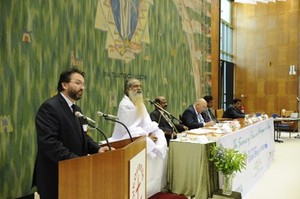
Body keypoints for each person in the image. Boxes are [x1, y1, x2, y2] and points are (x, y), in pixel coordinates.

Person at [33, 68, 111, 199]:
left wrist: (98, 149)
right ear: (64, 85)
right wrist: (76, 161)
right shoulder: (50, 108)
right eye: (78, 83)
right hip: (55, 175)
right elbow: (50, 143)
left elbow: (83, 135)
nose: (82, 88)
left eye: (83, 84)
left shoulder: (76, 109)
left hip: (74, 172)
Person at [111, 78, 168, 198]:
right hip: (126, 136)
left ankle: (155, 186)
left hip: (141, 133)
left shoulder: (139, 103)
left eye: (139, 86)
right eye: (135, 86)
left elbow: (147, 122)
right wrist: (147, 135)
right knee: (147, 141)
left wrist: (152, 131)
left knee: (160, 134)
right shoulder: (125, 105)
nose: (139, 88)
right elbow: (127, 128)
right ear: (128, 89)